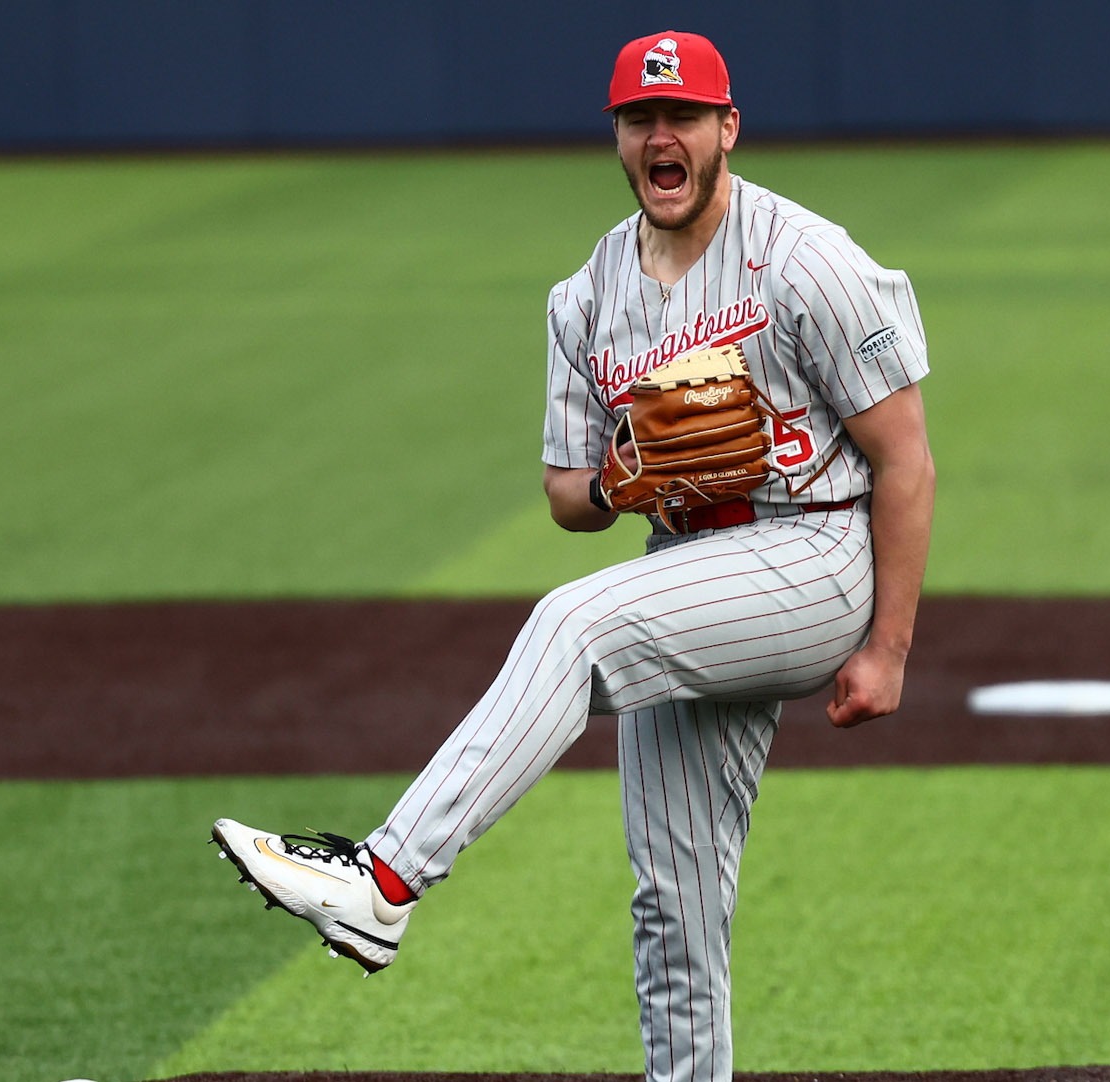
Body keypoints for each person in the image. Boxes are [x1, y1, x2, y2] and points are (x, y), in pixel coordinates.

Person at [210, 29, 935, 1082]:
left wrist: (891, 649)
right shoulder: (588, 294)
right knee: (673, 903)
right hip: (686, 563)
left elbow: (905, 458)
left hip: (816, 549)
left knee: (572, 622)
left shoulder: (804, 259)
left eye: (683, 114)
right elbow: (566, 495)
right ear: (619, 139)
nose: (661, 135)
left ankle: (385, 882)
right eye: (640, 119)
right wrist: (618, 482)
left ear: (727, 129)